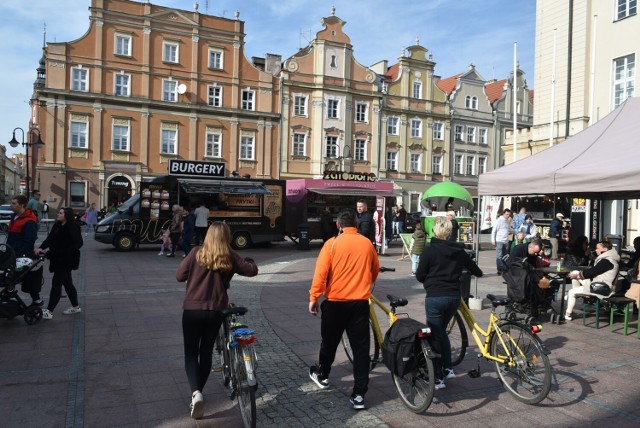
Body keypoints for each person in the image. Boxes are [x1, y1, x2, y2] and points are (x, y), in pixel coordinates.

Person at [176, 222, 258, 419]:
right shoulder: (229, 255)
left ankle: (196, 394)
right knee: (205, 352)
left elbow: (179, 276)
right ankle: (199, 394)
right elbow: (251, 270)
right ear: (226, 237)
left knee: (190, 354)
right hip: (216, 311)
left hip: (192, 310)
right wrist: (249, 259)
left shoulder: (196, 252)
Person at [308, 209, 380, 410]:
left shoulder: (331, 244)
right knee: (361, 349)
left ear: (338, 225)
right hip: (359, 303)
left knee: (329, 343)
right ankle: (358, 395)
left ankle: (322, 375)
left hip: (336, 302)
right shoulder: (366, 243)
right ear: (356, 225)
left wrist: (313, 298)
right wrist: (363, 282)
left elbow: (320, 274)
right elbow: (374, 270)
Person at [415, 217, 483, 390]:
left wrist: (430, 279)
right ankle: (448, 368)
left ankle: (438, 377)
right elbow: (477, 271)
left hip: (435, 297)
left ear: (435, 231)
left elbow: (420, 275)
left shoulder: (429, 251)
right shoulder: (459, 251)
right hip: (454, 297)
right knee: (441, 333)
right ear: (451, 233)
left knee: (435, 335)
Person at [35, 207, 83, 320]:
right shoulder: (57, 225)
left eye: (60, 213)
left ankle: (49, 311)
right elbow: (50, 239)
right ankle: (76, 307)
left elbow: (79, 243)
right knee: (67, 284)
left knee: (56, 283)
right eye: (59, 212)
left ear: (66, 215)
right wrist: (41, 248)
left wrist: (66, 252)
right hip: (58, 258)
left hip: (66, 260)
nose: (58, 214)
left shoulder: (72, 226)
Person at [565, 240, 620, 321]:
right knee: (575, 275)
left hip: (600, 288)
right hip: (600, 284)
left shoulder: (607, 261)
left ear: (605, 249)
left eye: (598, 248)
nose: (596, 250)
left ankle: (567, 314)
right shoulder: (610, 258)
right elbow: (593, 271)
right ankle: (579, 294)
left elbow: (592, 272)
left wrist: (578, 274)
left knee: (571, 292)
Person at [7, 194, 41, 305]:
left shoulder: (29, 221)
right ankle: (8, 292)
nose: (11, 205)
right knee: (11, 275)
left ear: (22, 205)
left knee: (22, 276)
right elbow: (11, 236)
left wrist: (17, 254)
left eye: (14, 203)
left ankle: (36, 300)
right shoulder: (14, 216)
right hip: (12, 251)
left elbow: (29, 242)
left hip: (21, 254)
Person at [491, 209, 512, 274]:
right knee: (499, 255)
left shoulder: (507, 221)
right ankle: (499, 269)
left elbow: (509, 229)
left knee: (505, 256)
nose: (508, 216)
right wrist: (493, 240)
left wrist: (517, 232)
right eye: (506, 214)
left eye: (509, 214)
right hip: (499, 240)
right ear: (503, 213)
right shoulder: (499, 220)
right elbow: (494, 231)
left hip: (506, 241)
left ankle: (504, 268)